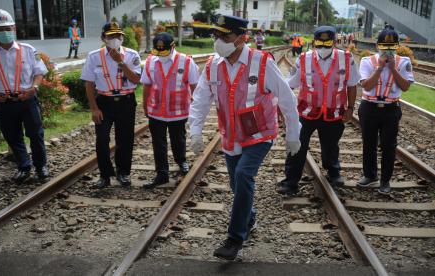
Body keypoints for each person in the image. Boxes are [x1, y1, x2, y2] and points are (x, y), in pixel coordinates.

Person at [189, 14, 301, 261]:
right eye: (216, 35)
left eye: (225, 36)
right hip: (231, 137)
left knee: (243, 175)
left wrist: (294, 134)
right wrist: (195, 130)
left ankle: (234, 239)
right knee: (236, 184)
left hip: (260, 134)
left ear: (242, 38)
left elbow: (286, 98)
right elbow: (200, 99)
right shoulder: (212, 65)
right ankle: (249, 217)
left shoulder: (262, 63)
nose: (218, 41)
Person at [278, 26, 360, 197]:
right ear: (314, 42)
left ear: (335, 42)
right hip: (306, 112)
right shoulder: (303, 58)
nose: (323, 47)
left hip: (334, 112)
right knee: (296, 146)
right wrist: (281, 103)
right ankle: (291, 182)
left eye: (327, 43)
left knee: (331, 145)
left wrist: (350, 108)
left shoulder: (346, 58)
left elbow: (352, 85)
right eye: (319, 43)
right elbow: (290, 83)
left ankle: (333, 171)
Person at [0, 9, 49, 183]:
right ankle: (24, 166)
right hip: (3, 103)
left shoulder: (28, 50)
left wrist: (34, 88)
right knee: (12, 136)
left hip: (27, 100)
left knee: (36, 134)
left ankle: (41, 165)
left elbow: (39, 72)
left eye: (7, 28)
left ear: (14, 27)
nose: (5, 32)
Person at [80, 22, 141, 189]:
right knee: (102, 139)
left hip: (126, 101)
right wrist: (94, 108)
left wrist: (121, 62)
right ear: (103, 38)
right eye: (111, 36)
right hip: (104, 102)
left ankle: (123, 173)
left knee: (125, 139)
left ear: (122, 37)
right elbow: (89, 84)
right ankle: (105, 176)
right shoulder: (94, 56)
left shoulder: (132, 55)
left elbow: (136, 79)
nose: (115, 39)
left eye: (118, 36)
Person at [357, 26, 414, 195]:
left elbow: (405, 86)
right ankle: (370, 175)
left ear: (397, 46)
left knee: (389, 146)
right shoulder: (367, 61)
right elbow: (366, 85)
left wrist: (394, 68)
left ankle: (385, 181)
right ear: (377, 45)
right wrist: (380, 68)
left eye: (392, 46)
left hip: (391, 108)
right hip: (369, 107)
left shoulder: (404, 62)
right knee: (369, 143)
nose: (388, 50)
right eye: (384, 46)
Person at [141, 32, 199, 189]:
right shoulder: (151, 62)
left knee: (178, 139)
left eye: (164, 51)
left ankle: (181, 161)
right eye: (158, 50)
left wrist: (196, 107)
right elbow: (146, 85)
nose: (161, 54)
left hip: (178, 111)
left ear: (173, 47)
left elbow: (194, 85)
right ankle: (162, 174)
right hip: (156, 111)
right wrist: (145, 105)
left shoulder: (186, 62)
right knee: (158, 144)